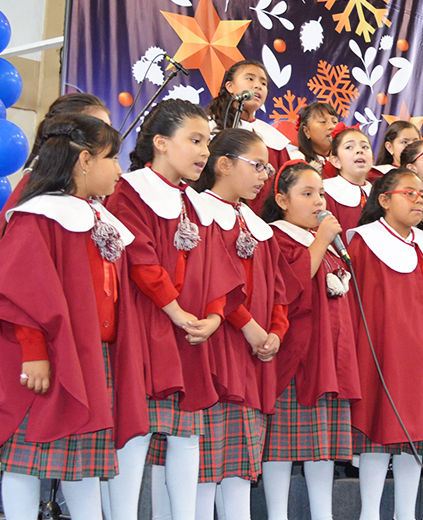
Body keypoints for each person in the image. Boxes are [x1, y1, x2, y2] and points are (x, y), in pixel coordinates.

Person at [0, 114, 142, 520]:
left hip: (93, 357)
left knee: (85, 466)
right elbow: (20, 291)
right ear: (83, 160)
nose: (119, 169)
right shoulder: (40, 215)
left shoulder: (97, 216)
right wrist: (34, 352)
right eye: (112, 158)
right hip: (54, 355)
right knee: (26, 460)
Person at [106, 100, 242, 520]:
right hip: (147, 326)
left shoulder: (194, 202)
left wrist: (214, 317)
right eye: (195, 140)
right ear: (161, 143)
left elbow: (221, 269)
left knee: (186, 434)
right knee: (137, 434)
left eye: (208, 142)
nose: (204, 152)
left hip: (191, 331)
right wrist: (177, 313)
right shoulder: (129, 191)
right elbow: (140, 262)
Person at [347, 170, 423, 520]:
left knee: (416, 441)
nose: (420, 199)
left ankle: (406, 514)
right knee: (378, 435)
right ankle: (369, 514)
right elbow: (362, 305)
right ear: (384, 200)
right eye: (410, 193)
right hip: (382, 358)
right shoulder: (363, 242)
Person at [191, 129, 295, 520]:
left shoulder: (257, 224)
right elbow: (212, 280)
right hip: (219, 348)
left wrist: (276, 333)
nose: (264, 176)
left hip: (255, 356)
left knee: (240, 462)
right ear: (223, 164)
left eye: (267, 168)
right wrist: (250, 328)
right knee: (205, 462)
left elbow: (280, 291)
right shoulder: (201, 212)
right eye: (256, 166)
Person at [259, 160, 362, 520]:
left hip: (330, 356)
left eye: (321, 193)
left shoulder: (328, 244)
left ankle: (323, 514)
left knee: (323, 446)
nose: (319, 201)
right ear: (282, 199)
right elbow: (290, 289)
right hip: (297, 355)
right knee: (281, 447)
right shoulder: (275, 236)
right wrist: (320, 241)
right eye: (307, 193)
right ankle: (277, 514)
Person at [2, 93, 111, 215]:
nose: (109, 138)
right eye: (99, 130)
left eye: (110, 129)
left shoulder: (98, 187)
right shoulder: (40, 193)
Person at [323, 125, 374, 235]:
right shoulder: (326, 192)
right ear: (336, 161)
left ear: (372, 160)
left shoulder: (378, 191)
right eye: (349, 147)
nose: (359, 151)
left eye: (365, 147)